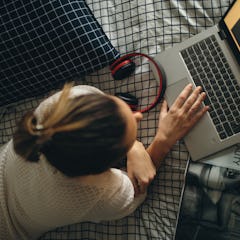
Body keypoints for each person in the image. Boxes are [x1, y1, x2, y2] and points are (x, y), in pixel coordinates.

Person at [0, 82, 209, 239]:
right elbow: (136, 191)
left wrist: (134, 146)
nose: (138, 117)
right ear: (104, 170)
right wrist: (163, 140)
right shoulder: (90, 195)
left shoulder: (71, 99)